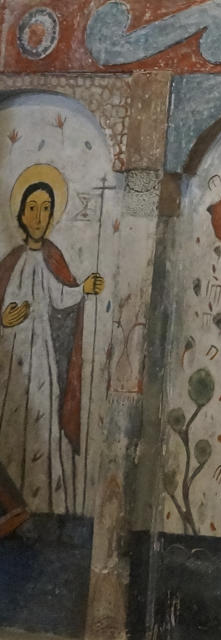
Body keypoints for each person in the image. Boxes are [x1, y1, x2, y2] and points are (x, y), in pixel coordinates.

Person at [0, 164, 103, 517]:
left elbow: (61, 297)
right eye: (32, 207)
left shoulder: (52, 257)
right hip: (11, 361)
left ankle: (42, 502)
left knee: (43, 417)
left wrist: (83, 289)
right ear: (20, 212)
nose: (39, 215)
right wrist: (3, 319)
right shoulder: (11, 260)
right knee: (12, 420)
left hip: (42, 355)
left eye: (46, 208)